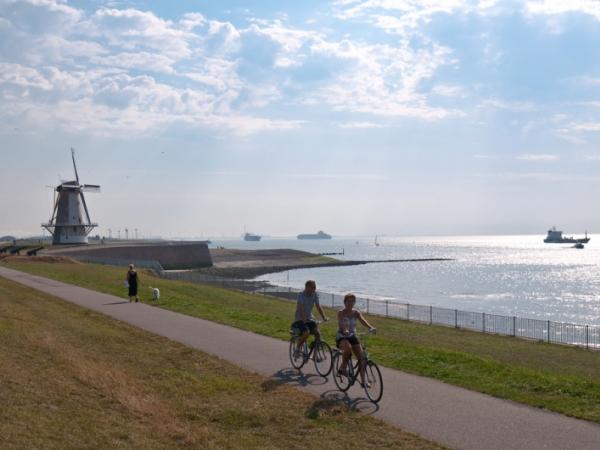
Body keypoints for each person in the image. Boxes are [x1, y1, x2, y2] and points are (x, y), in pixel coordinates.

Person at [336, 293, 375, 385]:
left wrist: (370, 327)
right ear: (345, 302)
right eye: (349, 301)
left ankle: (363, 380)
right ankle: (343, 368)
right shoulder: (341, 312)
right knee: (348, 348)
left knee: (361, 357)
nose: (351, 303)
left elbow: (362, 320)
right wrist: (345, 330)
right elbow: (341, 323)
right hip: (342, 336)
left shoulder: (356, 312)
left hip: (352, 336)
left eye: (353, 301)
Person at [291, 280, 328, 357]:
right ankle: (297, 349)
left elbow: (318, 306)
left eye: (315, 287)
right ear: (307, 287)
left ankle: (315, 354)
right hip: (299, 319)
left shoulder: (314, 295)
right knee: (306, 333)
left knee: (318, 334)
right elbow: (300, 307)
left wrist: (324, 317)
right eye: (313, 287)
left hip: (309, 319)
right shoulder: (301, 295)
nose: (314, 288)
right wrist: (303, 318)